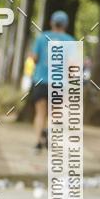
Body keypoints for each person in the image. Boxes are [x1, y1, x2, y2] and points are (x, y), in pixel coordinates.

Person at [31, 10, 75, 152]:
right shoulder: (70, 40)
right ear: (65, 25)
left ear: (51, 22)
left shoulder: (42, 38)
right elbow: (71, 64)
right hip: (59, 83)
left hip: (41, 80)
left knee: (40, 113)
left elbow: (34, 58)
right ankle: (50, 135)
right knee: (54, 114)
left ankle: (37, 142)